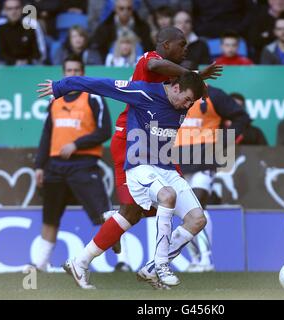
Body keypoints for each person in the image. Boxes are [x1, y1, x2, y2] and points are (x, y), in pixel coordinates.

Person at [41, 27, 221, 289]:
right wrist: (61, 86)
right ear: (165, 44)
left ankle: (107, 245)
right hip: (130, 141)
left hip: (158, 151)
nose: (186, 49)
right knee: (139, 208)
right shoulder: (150, 62)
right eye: (181, 44)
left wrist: (194, 79)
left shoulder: (179, 95)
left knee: (141, 211)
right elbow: (106, 82)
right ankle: (150, 261)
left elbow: (189, 88)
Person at [32, 55, 113, 272]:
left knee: (103, 216)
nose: (73, 74)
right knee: (50, 218)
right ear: (63, 74)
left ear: (83, 73)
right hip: (55, 167)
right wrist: (39, 166)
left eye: (77, 71)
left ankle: (123, 261)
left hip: (84, 164)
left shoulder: (92, 97)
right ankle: (40, 264)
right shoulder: (55, 100)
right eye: (69, 71)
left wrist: (76, 144)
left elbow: (105, 130)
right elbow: (47, 134)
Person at [174, 80, 250, 272]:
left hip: (205, 161)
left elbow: (242, 117)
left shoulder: (213, 94)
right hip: (178, 160)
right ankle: (195, 259)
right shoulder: (171, 93)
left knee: (197, 208)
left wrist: (223, 140)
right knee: (185, 213)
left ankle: (207, 260)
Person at [0, 0, 47, 65]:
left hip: (30, 65)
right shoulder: (0, 28)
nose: (13, 12)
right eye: (10, 9)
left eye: (16, 8)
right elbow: (1, 54)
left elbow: (39, 54)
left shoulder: (31, 26)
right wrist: (15, 62)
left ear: (22, 9)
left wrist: (26, 62)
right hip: (9, 66)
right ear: (4, 11)